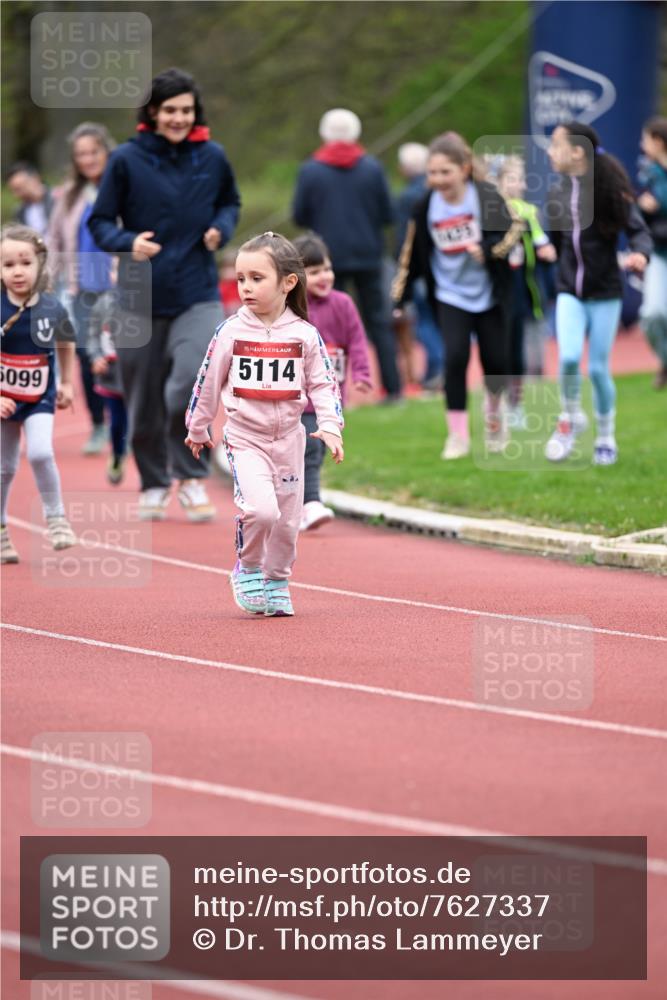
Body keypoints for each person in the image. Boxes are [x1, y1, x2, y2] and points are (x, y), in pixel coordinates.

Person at [89, 67, 241, 521]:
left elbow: (230, 202)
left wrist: (221, 229)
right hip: (139, 294)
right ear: (152, 112)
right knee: (142, 400)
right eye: (170, 110)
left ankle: (190, 477)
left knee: (188, 387)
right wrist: (128, 243)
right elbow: (99, 222)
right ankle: (154, 481)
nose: (179, 118)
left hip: (196, 289)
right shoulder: (126, 160)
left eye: (186, 110)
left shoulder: (212, 156)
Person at [185, 232, 344, 618]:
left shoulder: (304, 335)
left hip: (290, 441)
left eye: (257, 278)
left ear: (288, 283)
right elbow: (206, 381)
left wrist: (331, 425)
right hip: (245, 440)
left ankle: (276, 580)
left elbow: (323, 383)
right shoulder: (230, 332)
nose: (246, 287)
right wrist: (198, 426)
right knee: (262, 512)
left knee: (289, 523)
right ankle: (249, 567)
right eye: (241, 279)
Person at [393, 131, 522, 459]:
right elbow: (410, 253)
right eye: (432, 173)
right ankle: (457, 436)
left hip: (490, 294)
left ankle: (495, 422)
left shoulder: (485, 195)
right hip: (450, 296)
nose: (437, 179)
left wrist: (489, 250)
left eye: (445, 172)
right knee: (455, 359)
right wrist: (399, 297)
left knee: (495, 361)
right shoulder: (425, 206)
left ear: (464, 169)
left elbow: (514, 227)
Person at [544, 122, 652, 465]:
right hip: (569, 293)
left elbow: (639, 232)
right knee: (568, 357)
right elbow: (560, 241)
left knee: (599, 370)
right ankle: (570, 420)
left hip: (605, 292)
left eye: (555, 144)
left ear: (577, 152)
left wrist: (640, 254)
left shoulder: (609, 188)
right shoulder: (557, 191)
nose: (549, 151)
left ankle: (606, 437)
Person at [292, 108, 401, 401]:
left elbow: (299, 215)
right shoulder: (372, 168)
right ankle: (393, 389)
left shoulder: (311, 170)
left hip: (325, 260)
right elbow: (387, 214)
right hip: (368, 254)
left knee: (324, 326)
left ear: (324, 134)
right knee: (378, 322)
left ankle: (328, 392)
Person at [1, 225, 77, 564]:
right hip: (4, 400)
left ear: (39, 264)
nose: (18, 271)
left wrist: (67, 382)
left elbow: (66, 341)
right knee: (4, 468)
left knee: (41, 453)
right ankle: (1, 529)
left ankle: (57, 519)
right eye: (8, 264)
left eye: (25, 262)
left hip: (39, 397)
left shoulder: (52, 307)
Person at [293, 233, 371, 531]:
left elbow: (358, 342)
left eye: (326, 268)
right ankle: (306, 502)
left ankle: (307, 503)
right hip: (294, 395)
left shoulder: (344, 304)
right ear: (294, 278)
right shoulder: (291, 308)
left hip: (328, 395)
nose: (324, 276)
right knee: (300, 449)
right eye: (313, 273)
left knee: (316, 447)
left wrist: (362, 374)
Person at [47, 122, 117, 456]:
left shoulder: (124, 185)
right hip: (83, 289)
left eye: (93, 152)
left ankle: (126, 423)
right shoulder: (69, 195)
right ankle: (98, 425)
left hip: (124, 288)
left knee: (125, 355)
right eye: (81, 154)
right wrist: (43, 279)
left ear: (106, 151)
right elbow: (55, 239)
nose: (88, 159)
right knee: (89, 356)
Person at [496, 155, 557, 427]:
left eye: (520, 179)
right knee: (504, 352)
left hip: (528, 290)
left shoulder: (529, 211)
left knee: (526, 352)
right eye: (511, 179)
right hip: (500, 293)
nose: (517, 184)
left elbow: (542, 242)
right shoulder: (492, 210)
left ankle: (517, 405)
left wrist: (545, 248)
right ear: (498, 183)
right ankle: (501, 406)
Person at [394, 142, 444, 391]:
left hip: (421, 267)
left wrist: (402, 270)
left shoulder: (407, 198)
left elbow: (405, 239)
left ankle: (436, 369)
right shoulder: (439, 191)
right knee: (438, 317)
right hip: (443, 264)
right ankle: (441, 367)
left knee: (424, 318)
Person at [87, 285, 128, 484]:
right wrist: (96, 358)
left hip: (140, 375)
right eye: (115, 267)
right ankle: (118, 454)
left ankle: (154, 473)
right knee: (117, 422)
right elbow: (93, 335)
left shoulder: (149, 301)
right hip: (112, 377)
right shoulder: (103, 303)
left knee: (145, 423)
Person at [637, 116, 667, 389]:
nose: (642, 145)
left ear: (658, 142)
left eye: (645, 139)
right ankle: (666, 360)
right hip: (659, 252)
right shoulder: (647, 172)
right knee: (653, 314)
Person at [6, 163, 55, 236]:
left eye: (19, 189)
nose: (16, 195)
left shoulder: (58, 199)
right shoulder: (19, 212)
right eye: (13, 191)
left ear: (35, 178)